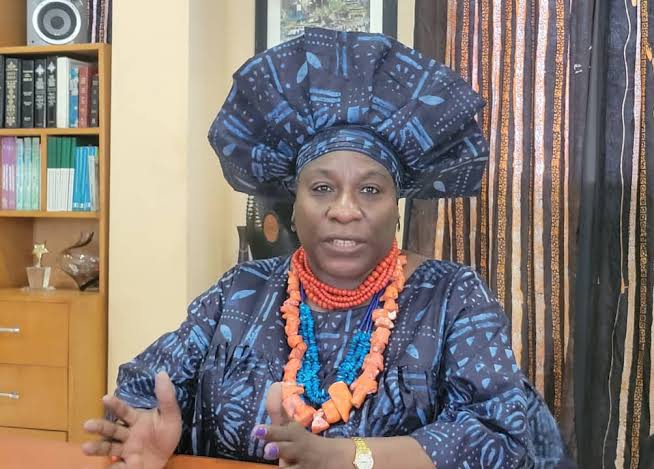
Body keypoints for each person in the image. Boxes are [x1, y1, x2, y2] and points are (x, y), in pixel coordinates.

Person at [82, 27, 571, 468]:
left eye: (371, 190)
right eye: (321, 188)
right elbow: (147, 386)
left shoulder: (452, 297)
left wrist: (345, 456)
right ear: (293, 206)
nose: (344, 210)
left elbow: (496, 433)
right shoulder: (239, 293)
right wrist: (149, 431)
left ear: (397, 208)